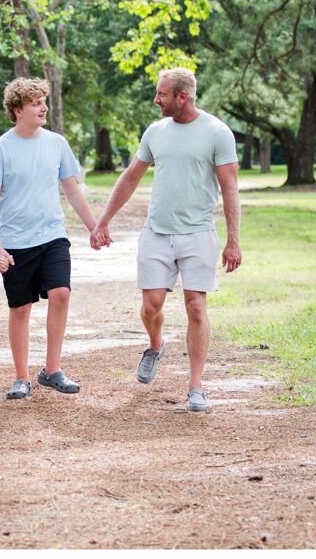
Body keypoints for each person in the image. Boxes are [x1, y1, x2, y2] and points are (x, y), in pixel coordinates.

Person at [89, 68, 241, 412]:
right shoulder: (155, 132)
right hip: (157, 232)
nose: (156, 100)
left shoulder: (217, 133)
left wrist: (233, 240)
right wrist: (103, 221)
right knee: (151, 305)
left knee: (196, 306)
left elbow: (230, 188)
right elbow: (130, 178)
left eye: (162, 94)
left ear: (181, 97)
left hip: (198, 232)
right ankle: (156, 345)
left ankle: (195, 387)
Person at [0, 77, 102, 400]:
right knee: (20, 308)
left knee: (61, 292)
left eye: (44, 101)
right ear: (18, 110)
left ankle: (52, 370)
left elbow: (72, 190)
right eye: (36, 103)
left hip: (52, 235)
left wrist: (94, 226)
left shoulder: (57, 143)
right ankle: (21, 377)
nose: (43, 108)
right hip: (15, 242)